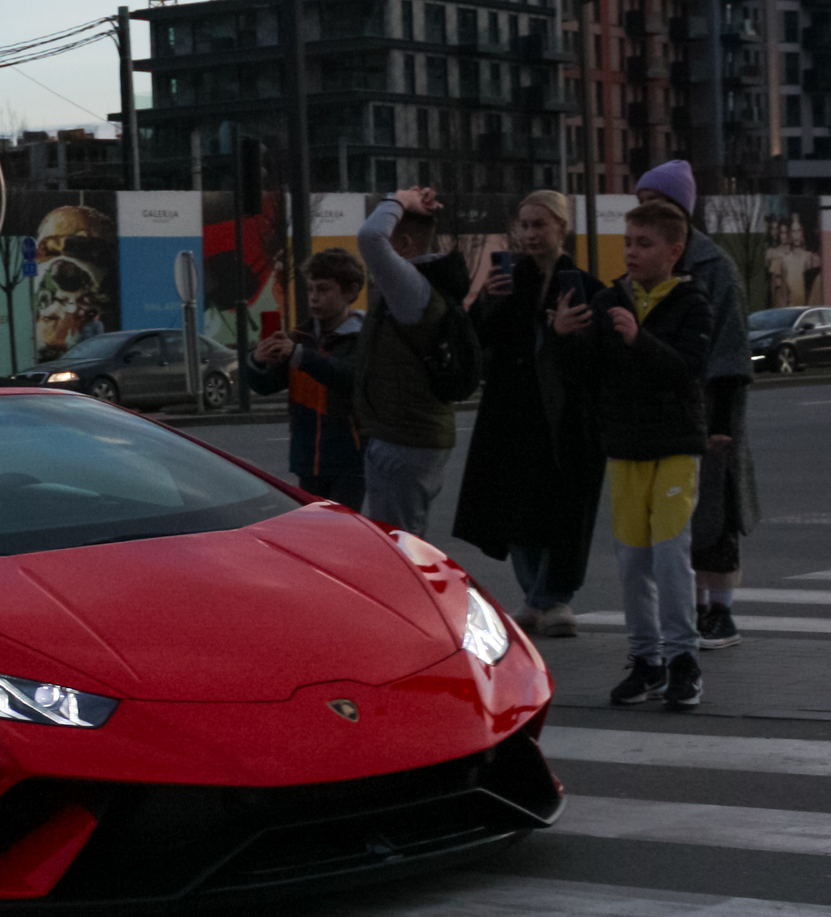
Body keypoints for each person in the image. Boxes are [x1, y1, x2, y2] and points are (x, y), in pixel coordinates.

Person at [452, 189, 607, 637]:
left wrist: (561, 334)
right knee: (517, 510)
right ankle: (535, 599)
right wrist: (484, 305)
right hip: (512, 416)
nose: (529, 234)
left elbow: (591, 359)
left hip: (563, 420)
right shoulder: (509, 283)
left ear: (561, 228)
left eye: (540, 224)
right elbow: (478, 344)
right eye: (523, 224)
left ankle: (552, 598)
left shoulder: (581, 286)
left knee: (563, 511)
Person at [592, 201, 713, 710]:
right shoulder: (609, 300)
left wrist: (640, 340)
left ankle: (683, 658)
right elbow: (590, 371)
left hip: (675, 446)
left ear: (674, 250)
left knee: (669, 556)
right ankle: (646, 661)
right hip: (625, 447)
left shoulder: (693, 303)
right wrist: (563, 338)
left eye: (644, 244)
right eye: (629, 242)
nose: (632, 252)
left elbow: (688, 369)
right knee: (632, 563)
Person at [634, 160, 755, 650]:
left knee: (714, 510)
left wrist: (722, 421)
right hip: (662, 408)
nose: (645, 211)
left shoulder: (714, 267)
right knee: (676, 516)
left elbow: (730, 351)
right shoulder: (651, 263)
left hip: (707, 407)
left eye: (654, 202)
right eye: (641, 202)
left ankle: (721, 613)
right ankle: (695, 607)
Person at [347, 185, 464, 532]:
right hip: (412, 437)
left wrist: (400, 199)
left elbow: (369, 237)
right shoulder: (426, 286)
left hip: (402, 440)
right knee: (407, 543)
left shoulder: (410, 288)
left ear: (405, 246)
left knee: (400, 552)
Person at [246, 248, 369, 508]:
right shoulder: (300, 336)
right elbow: (266, 386)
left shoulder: (363, 337)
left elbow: (351, 378)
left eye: (323, 290)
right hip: (307, 459)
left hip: (349, 459)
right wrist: (258, 360)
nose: (314, 298)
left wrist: (300, 355)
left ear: (350, 291)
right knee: (316, 535)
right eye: (311, 289)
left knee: (340, 533)